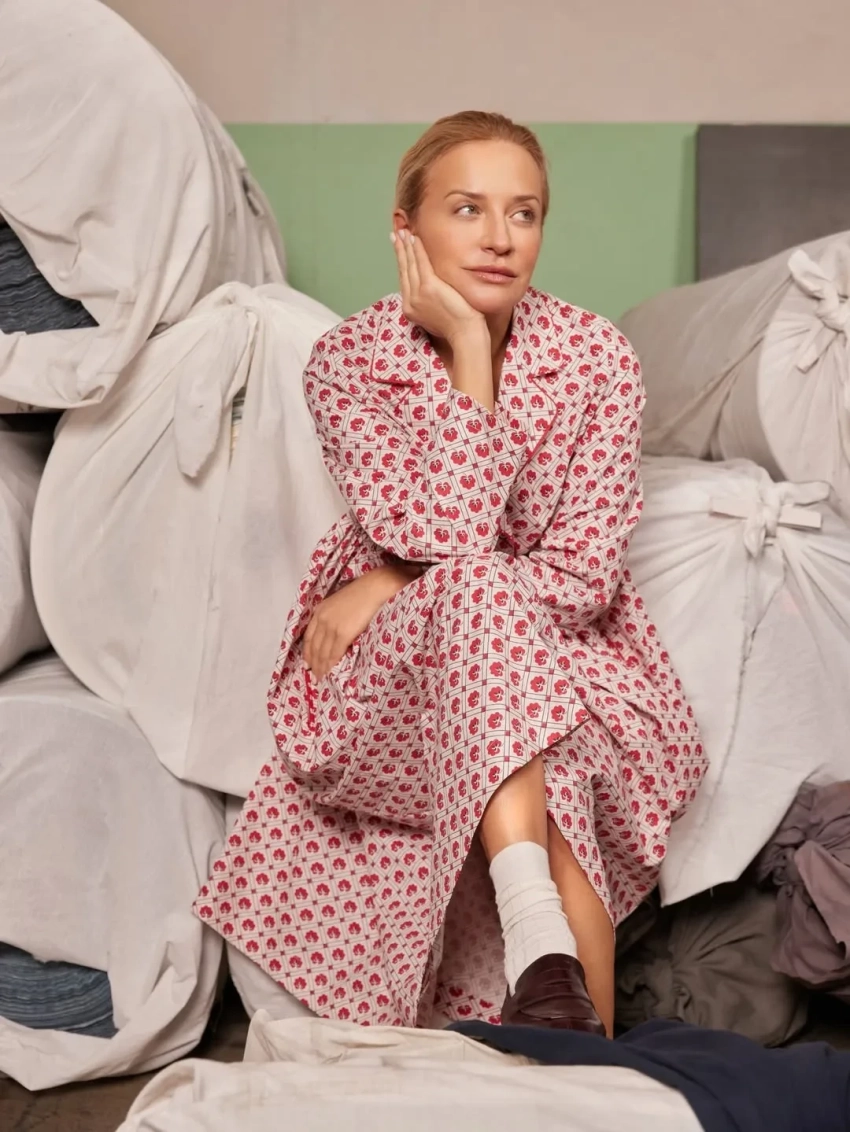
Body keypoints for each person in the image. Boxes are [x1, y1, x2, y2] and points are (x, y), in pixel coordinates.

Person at [195, 111, 706, 1037]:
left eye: (524, 212)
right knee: (477, 592)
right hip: (392, 674)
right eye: (467, 208)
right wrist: (471, 349)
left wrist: (394, 577)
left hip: (569, 656)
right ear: (407, 229)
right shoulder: (350, 362)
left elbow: (584, 576)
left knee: (560, 766)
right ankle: (548, 963)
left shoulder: (597, 358)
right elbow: (443, 533)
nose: (501, 237)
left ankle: (567, 1017)